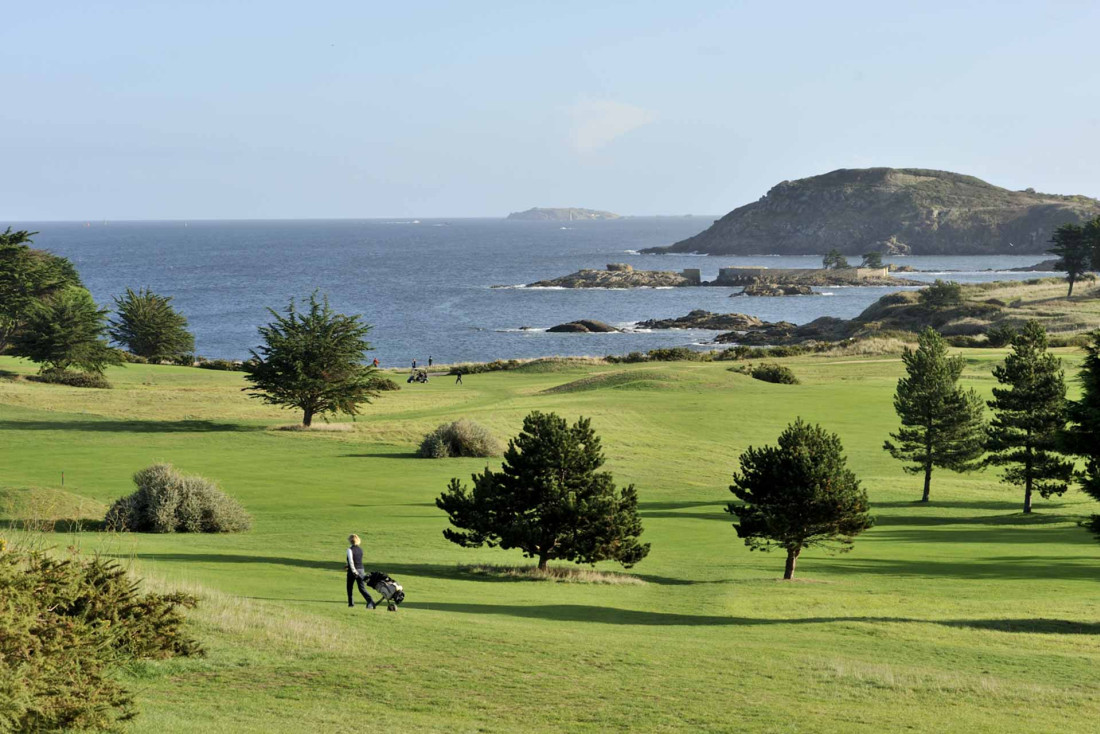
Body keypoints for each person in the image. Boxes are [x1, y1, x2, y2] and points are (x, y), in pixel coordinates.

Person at [345, 534, 375, 609]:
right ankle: (370, 601)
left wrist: (354, 571)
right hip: (361, 569)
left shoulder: (349, 549)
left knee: (349, 587)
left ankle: (351, 604)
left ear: (350, 541)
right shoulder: (360, 549)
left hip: (353, 571)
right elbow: (357, 560)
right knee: (362, 588)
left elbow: (351, 561)